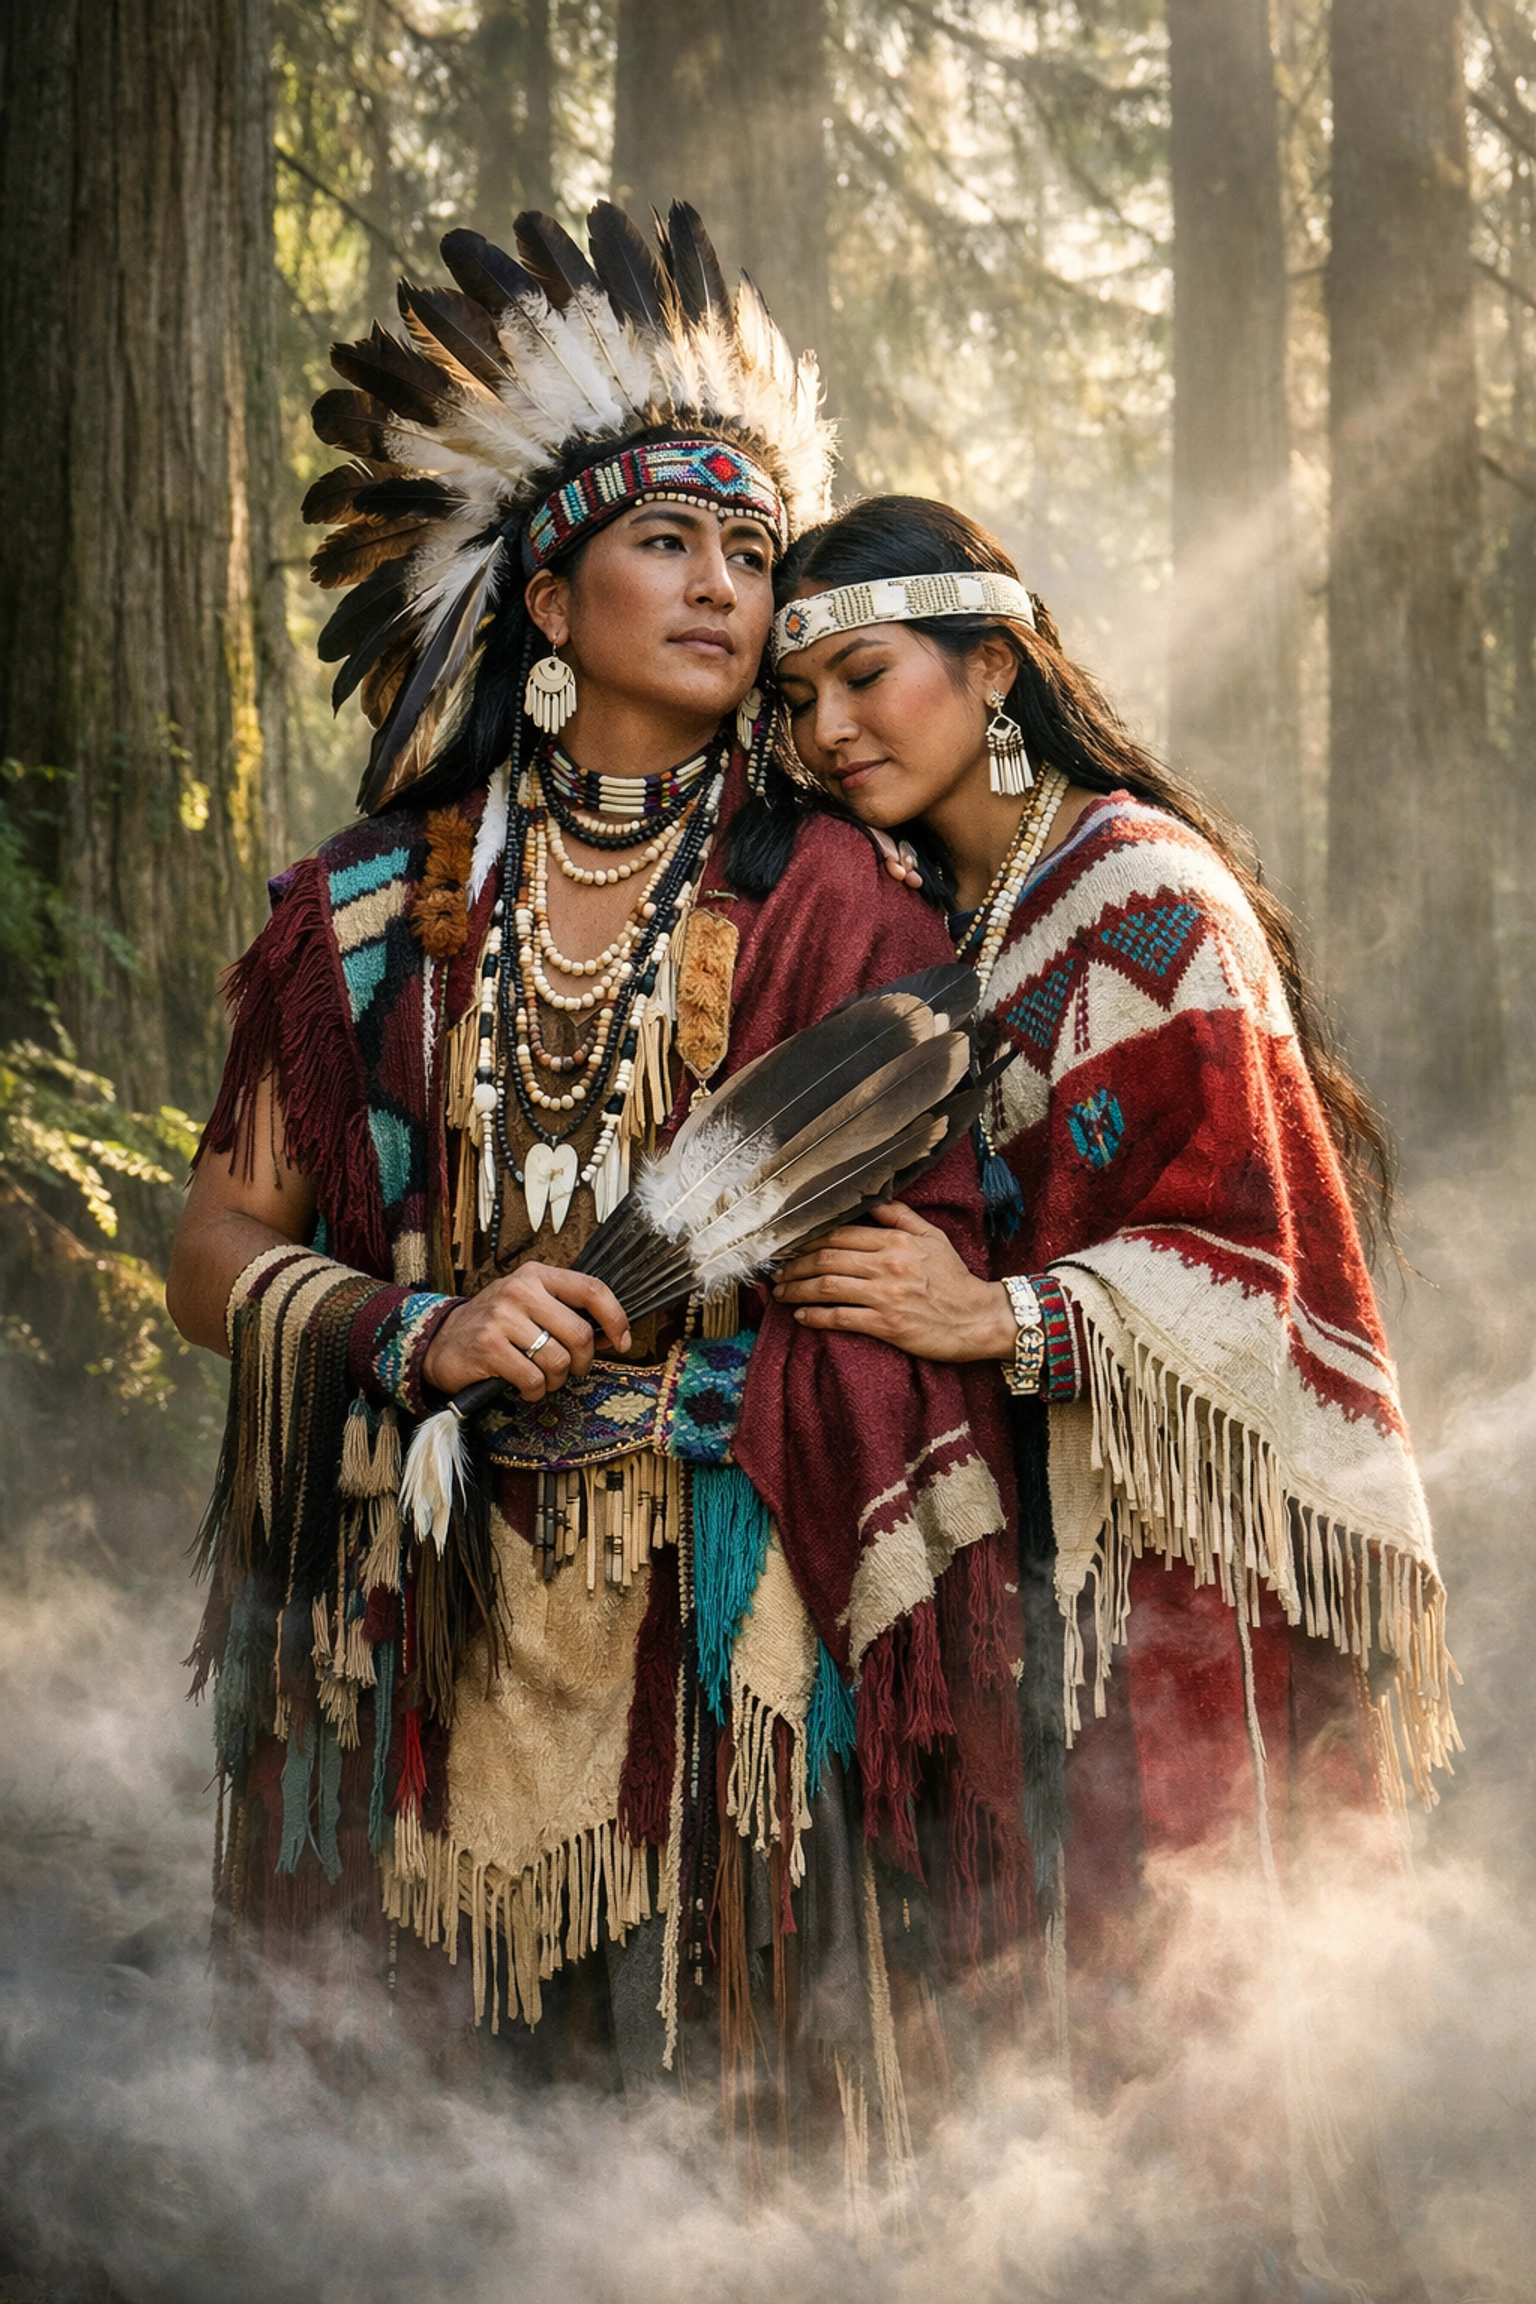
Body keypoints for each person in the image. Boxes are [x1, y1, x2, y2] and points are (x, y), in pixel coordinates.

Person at [169, 215, 1025, 2154]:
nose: (725, 586)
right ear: (547, 606)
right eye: (670, 543)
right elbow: (215, 1251)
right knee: (421, 2144)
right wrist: (418, 1325)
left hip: (725, 1620)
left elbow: (929, 1236)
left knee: (709, 2140)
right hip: (418, 1599)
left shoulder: (837, 899)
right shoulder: (366, 916)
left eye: (751, 554)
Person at [765, 495, 1453, 2286]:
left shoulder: (1137, 886)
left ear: (992, 667)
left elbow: (1258, 1267)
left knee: (1220, 2043)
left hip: (1209, 1585)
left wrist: (996, 1321)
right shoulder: (968, 921)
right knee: (1091, 2066)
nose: (831, 729)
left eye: (864, 676)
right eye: (801, 701)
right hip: (1074, 1575)